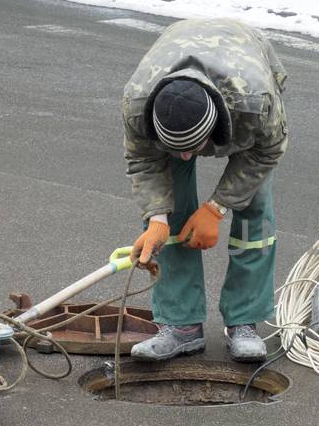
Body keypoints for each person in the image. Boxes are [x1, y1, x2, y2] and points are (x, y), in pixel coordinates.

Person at [121, 18, 287, 362]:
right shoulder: (138, 105)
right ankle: (180, 326)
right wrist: (157, 218)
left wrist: (216, 207)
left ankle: (244, 322)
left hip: (243, 55)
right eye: (175, 147)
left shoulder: (254, 103)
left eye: (192, 147)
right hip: (176, 47)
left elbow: (268, 151)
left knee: (253, 211)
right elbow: (142, 161)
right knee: (172, 212)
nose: (184, 157)